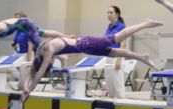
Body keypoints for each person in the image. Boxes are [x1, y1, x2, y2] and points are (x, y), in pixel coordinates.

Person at [22, 19, 163, 102]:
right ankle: (141, 57)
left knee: (118, 37)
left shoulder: (48, 50)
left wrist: (29, 91)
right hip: (85, 47)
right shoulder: (39, 51)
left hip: (86, 43)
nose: (51, 62)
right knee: (113, 53)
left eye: (50, 64)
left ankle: (145, 24)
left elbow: (39, 73)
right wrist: (25, 88)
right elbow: (32, 71)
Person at [103, 6, 127, 98]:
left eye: (111, 12)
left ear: (117, 14)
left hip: (117, 57)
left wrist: (118, 60)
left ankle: (121, 102)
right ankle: (111, 102)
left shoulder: (121, 27)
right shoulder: (108, 27)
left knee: (118, 83)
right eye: (108, 12)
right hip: (108, 57)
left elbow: (123, 44)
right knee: (109, 83)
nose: (108, 14)